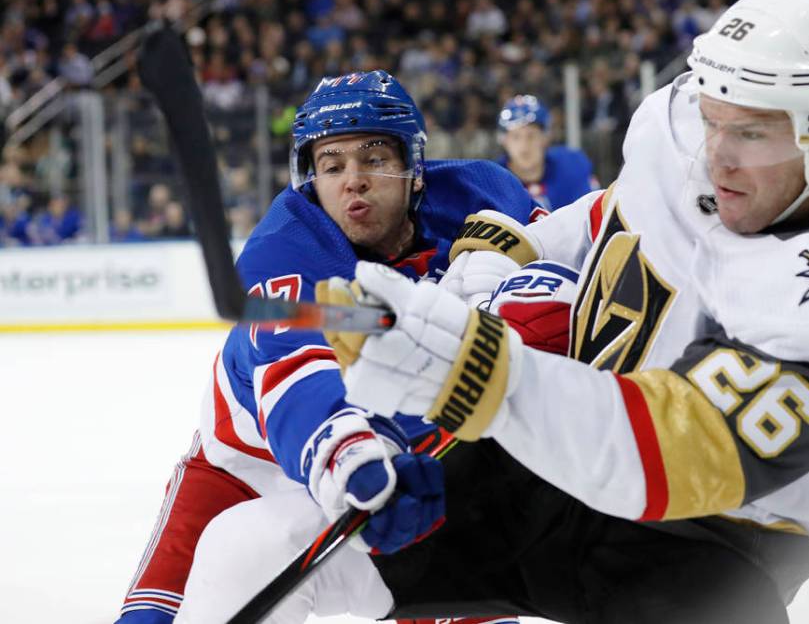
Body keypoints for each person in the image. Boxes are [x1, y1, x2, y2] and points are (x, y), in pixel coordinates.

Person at [178, 0, 809, 624]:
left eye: (746, 133)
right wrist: (529, 245)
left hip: (708, 541)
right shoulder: (685, 125)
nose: (713, 155)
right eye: (713, 117)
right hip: (550, 466)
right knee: (257, 552)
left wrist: (473, 371)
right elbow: (621, 213)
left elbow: (661, 456)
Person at [114, 70, 542, 624]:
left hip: (420, 454)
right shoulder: (283, 248)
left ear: (415, 169)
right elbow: (299, 379)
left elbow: (569, 274)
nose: (353, 181)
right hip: (247, 467)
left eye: (374, 159)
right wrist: (348, 459)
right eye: (331, 165)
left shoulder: (484, 195)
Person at [497, 94, 597, 211]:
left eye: (531, 136)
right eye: (516, 137)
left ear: (545, 138)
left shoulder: (573, 166)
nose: (524, 146)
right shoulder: (492, 181)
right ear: (504, 141)